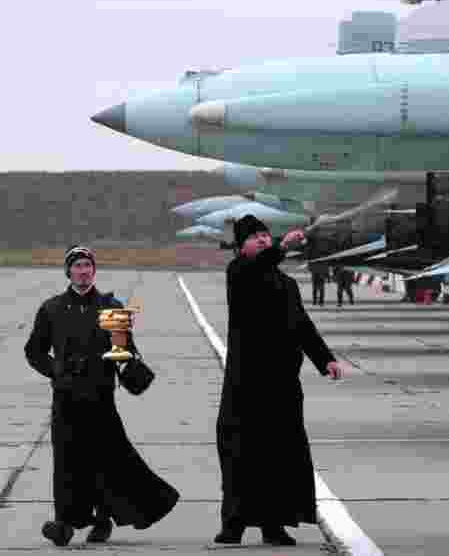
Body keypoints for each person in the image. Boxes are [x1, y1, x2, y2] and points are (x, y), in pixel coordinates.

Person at [24, 245, 179, 547]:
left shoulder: (111, 306)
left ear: (94, 270)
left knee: (106, 460)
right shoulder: (51, 308)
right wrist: (56, 370)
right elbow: (34, 351)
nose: (83, 271)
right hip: (66, 398)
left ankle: (103, 518)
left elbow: (124, 348)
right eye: (78, 265)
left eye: (88, 266)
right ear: (68, 271)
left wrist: (128, 364)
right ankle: (66, 521)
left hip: (100, 397)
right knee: (67, 462)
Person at [216, 215, 346, 547]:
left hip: (282, 384)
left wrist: (325, 359)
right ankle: (234, 523)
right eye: (254, 237)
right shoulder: (239, 273)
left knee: (280, 456)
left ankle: (274, 524)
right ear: (241, 245)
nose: (261, 240)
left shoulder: (286, 284)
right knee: (240, 454)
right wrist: (280, 247)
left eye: (264, 235)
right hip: (246, 384)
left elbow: (302, 325)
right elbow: (255, 271)